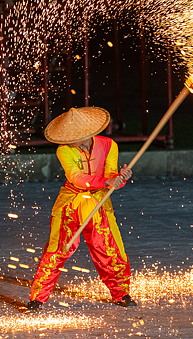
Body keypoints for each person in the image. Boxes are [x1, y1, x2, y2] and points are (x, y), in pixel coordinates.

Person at [27, 106, 135, 311]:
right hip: (70, 203)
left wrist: (120, 179)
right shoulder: (64, 150)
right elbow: (76, 178)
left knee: (109, 248)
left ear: (86, 134)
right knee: (58, 248)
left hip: (99, 203)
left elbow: (112, 178)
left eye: (71, 136)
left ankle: (121, 293)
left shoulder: (109, 145)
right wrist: (107, 181)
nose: (66, 140)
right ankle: (38, 298)